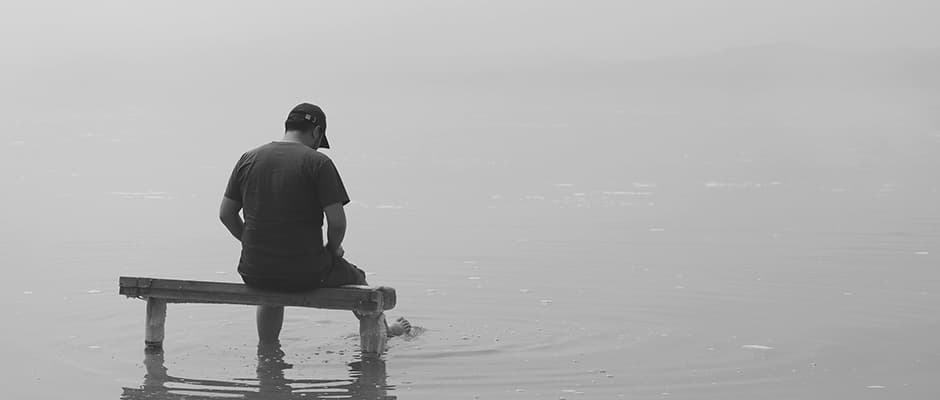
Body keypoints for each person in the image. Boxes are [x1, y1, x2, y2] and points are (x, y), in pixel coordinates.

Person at [219, 103, 410, 344]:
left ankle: (267, 349)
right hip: (305, 272)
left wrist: (251, 241)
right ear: (316, 131)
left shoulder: (248, 159)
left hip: (255, 271)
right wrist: (332, 250)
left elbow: (226, 214)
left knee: (271, 295)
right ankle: (384, 333)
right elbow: (338, 223)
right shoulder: (318, 163)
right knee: (358, 280)